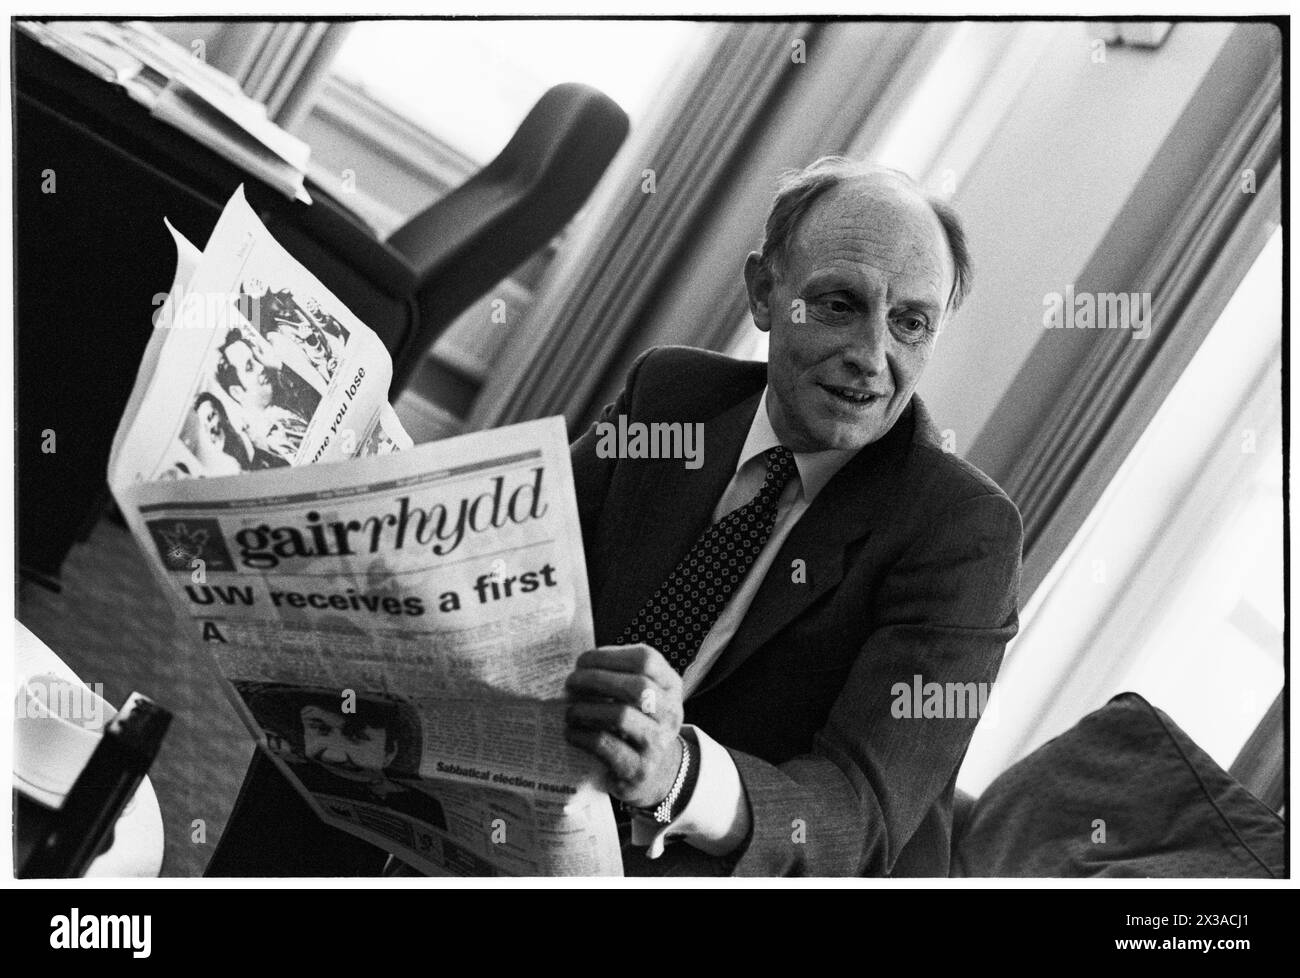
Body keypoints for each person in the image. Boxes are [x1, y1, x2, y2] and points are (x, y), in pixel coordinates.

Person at [562, 157, 1023, 876]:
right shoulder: (673, 396)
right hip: (561, 810)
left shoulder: (963, 536)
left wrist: (675, 777)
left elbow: (854, 813)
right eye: (840, 305)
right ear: (763, 293)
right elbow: (528, 554)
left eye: (910, 324)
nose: (873, 358)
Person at [235, 683, 447, 832]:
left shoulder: (426, 807)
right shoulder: (282, 792)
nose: (334, 756)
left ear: (389, 753)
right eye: (320, 729)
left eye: (356, 736)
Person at [214, 330, 320, 462]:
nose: (261, 367)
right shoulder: (270, 441)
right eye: (249, 367)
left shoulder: (283, 402)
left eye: (256, 359)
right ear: (237, 392)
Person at [181, 391, 288, 474]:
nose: (211, 429)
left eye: (211, 417)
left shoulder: (259, 440)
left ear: (224, 415)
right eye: (205, 427)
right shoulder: (228, 471)